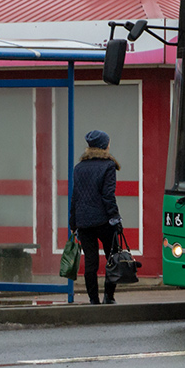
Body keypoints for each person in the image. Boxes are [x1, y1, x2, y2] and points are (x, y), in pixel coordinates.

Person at [70, 129, 122, 305]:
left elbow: (75, 197)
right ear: (104, 146)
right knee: (113, 257)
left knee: (91, 262)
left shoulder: (78, 168)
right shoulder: (108, 166)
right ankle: (109, 296)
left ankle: (93, 300)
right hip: (104, 221)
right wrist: (115, 217)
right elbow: (108, 196)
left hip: (84, 222)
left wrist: (73, 223)